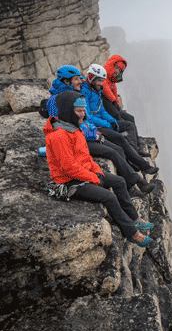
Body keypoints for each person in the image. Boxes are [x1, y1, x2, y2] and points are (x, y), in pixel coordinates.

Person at [43, 90, 153, 248]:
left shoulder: (74, 128)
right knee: (109, 197)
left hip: (83, 173)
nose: (83, 114)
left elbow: (86, 157)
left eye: (83, 110)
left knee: (119, 181)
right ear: (68, 111)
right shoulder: (59, 136)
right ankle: (132, 233)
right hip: (69, 182)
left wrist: (97, 171)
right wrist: (93, 177)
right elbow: (68, 168)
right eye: (79, 111)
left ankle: (135, 218)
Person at [47, 65, 155, 197]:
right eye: (76, 79)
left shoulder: (75, 95)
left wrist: (96, 132)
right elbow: (67, 127)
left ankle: (136, 184)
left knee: (118, 149)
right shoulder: (55, 101)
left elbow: (86, 119)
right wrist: (94, 135)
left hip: (86, 137)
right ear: (66, 81)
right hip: (76, 143)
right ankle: (136, 184)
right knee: (113, 152)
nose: (81, 81)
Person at [81, 63, 158, 176]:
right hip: (95, 127)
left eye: (102, 81)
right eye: (99, 81)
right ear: (92, 77)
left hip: (101, 124)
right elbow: (88, 116)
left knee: (128, 126)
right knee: (119, 138)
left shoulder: (95, 91)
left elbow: (101, 110)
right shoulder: (84, 92)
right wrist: (107, 124)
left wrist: (112, 121)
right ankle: (142, 165)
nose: (101, 84)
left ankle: (134, 156)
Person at [101, 55, 145, 152]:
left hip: (111, 107)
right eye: (116, 67)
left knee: (130, 118)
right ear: (111, 64)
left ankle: (137, 144)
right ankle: (134, 149)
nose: (117, 71)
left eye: (120, 70)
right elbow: (104, 87)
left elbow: (114, 93)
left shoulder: (112, 80)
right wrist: (114, 102)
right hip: (105, 109)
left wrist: (117, 105)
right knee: (126, 122)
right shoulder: (102, 75)